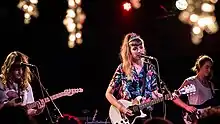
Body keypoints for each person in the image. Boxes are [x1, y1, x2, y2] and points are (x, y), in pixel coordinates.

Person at [105, 33, 164, 124]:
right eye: (135, 49)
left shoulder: (150, 67)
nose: (139, 51)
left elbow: (154, 93)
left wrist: (165, 96)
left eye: (141, 47)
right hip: (126, 116)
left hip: (146, 114)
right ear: (129, 51)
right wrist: (122, 108)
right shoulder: (122, 68)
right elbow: (108, 94)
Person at [172, 55, 220, 124]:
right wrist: (186, 107)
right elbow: (174, 97)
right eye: (207, 67)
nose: (209, 70)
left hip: (208, 119)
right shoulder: (190, 81)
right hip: (195, 119)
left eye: (210, 68)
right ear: (200, 66)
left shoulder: (211, 84)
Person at [0, 51, 45, 117]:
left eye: (23, 68)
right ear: (9, 67)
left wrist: (38, 111)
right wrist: (6, 105)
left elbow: (27, 110)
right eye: (17, 67)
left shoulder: (26, 86)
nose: (20, 71)